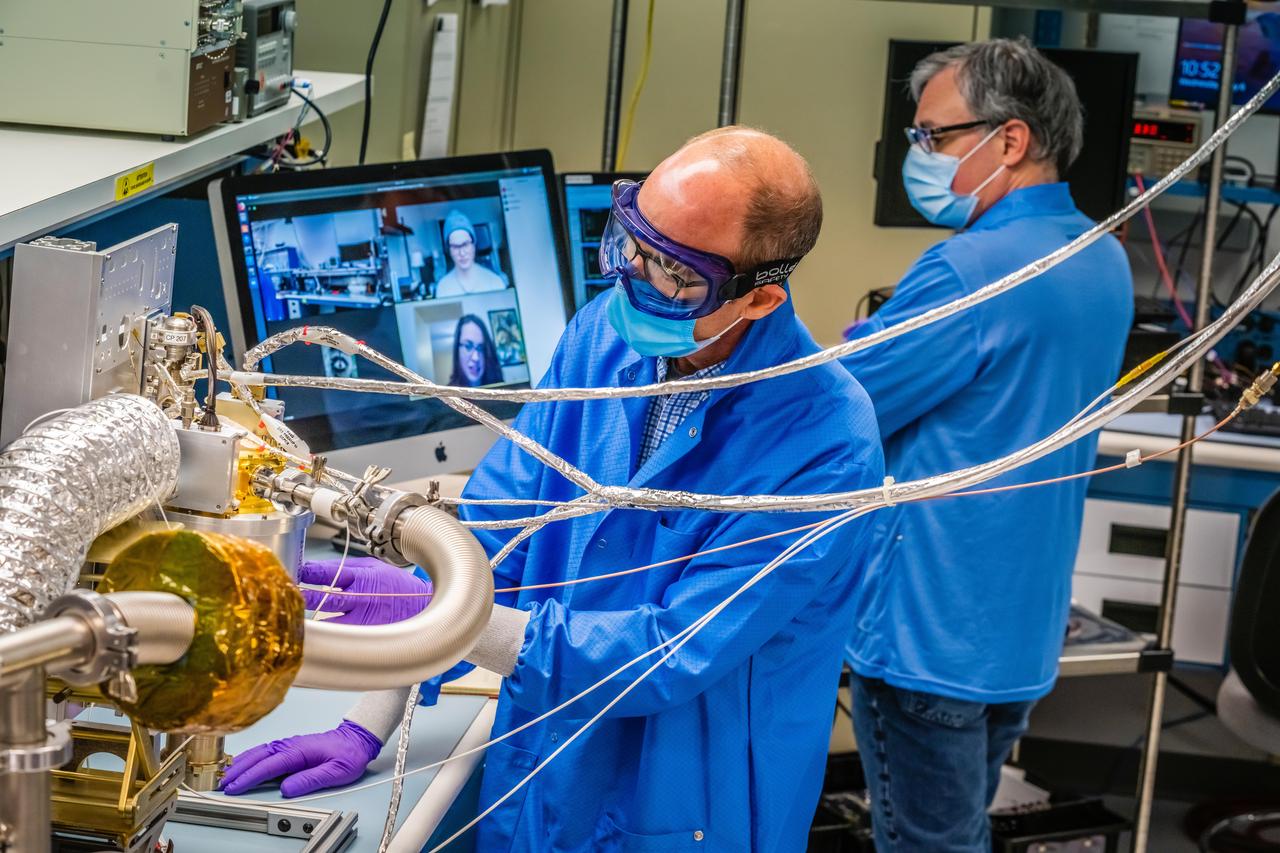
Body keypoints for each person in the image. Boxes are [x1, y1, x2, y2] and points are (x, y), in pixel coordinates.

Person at [222, 127, 886, 851]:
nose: (630, 276)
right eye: (631, 239)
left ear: (757, 300)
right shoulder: (603, 334)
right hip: (542, 770)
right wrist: (369, 716)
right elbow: (496, 533)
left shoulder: (826, 441)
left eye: (671, 270)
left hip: (687, 807)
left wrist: (455, 621)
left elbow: (670, 652)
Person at [838, 38, 1134, 851]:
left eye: (934, 136)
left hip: (927, 635)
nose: (918, 154)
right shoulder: (1103, 259)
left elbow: (846, 407)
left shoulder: (969, 269)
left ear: (1009, 140)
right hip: (1016, 634)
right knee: (960, 831)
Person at [433, 210, 507, 297]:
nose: (462, 253)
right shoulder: (443, 288)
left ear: (473, 245)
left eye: (465, 244)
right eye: (456, 247)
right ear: (449, 250)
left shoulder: (495, 283)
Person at [448, 314, 504, 387]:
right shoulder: (447, 396)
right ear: (457, 351)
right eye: (468, 346)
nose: (476, 357)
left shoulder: (501, 390)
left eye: (481, 348)